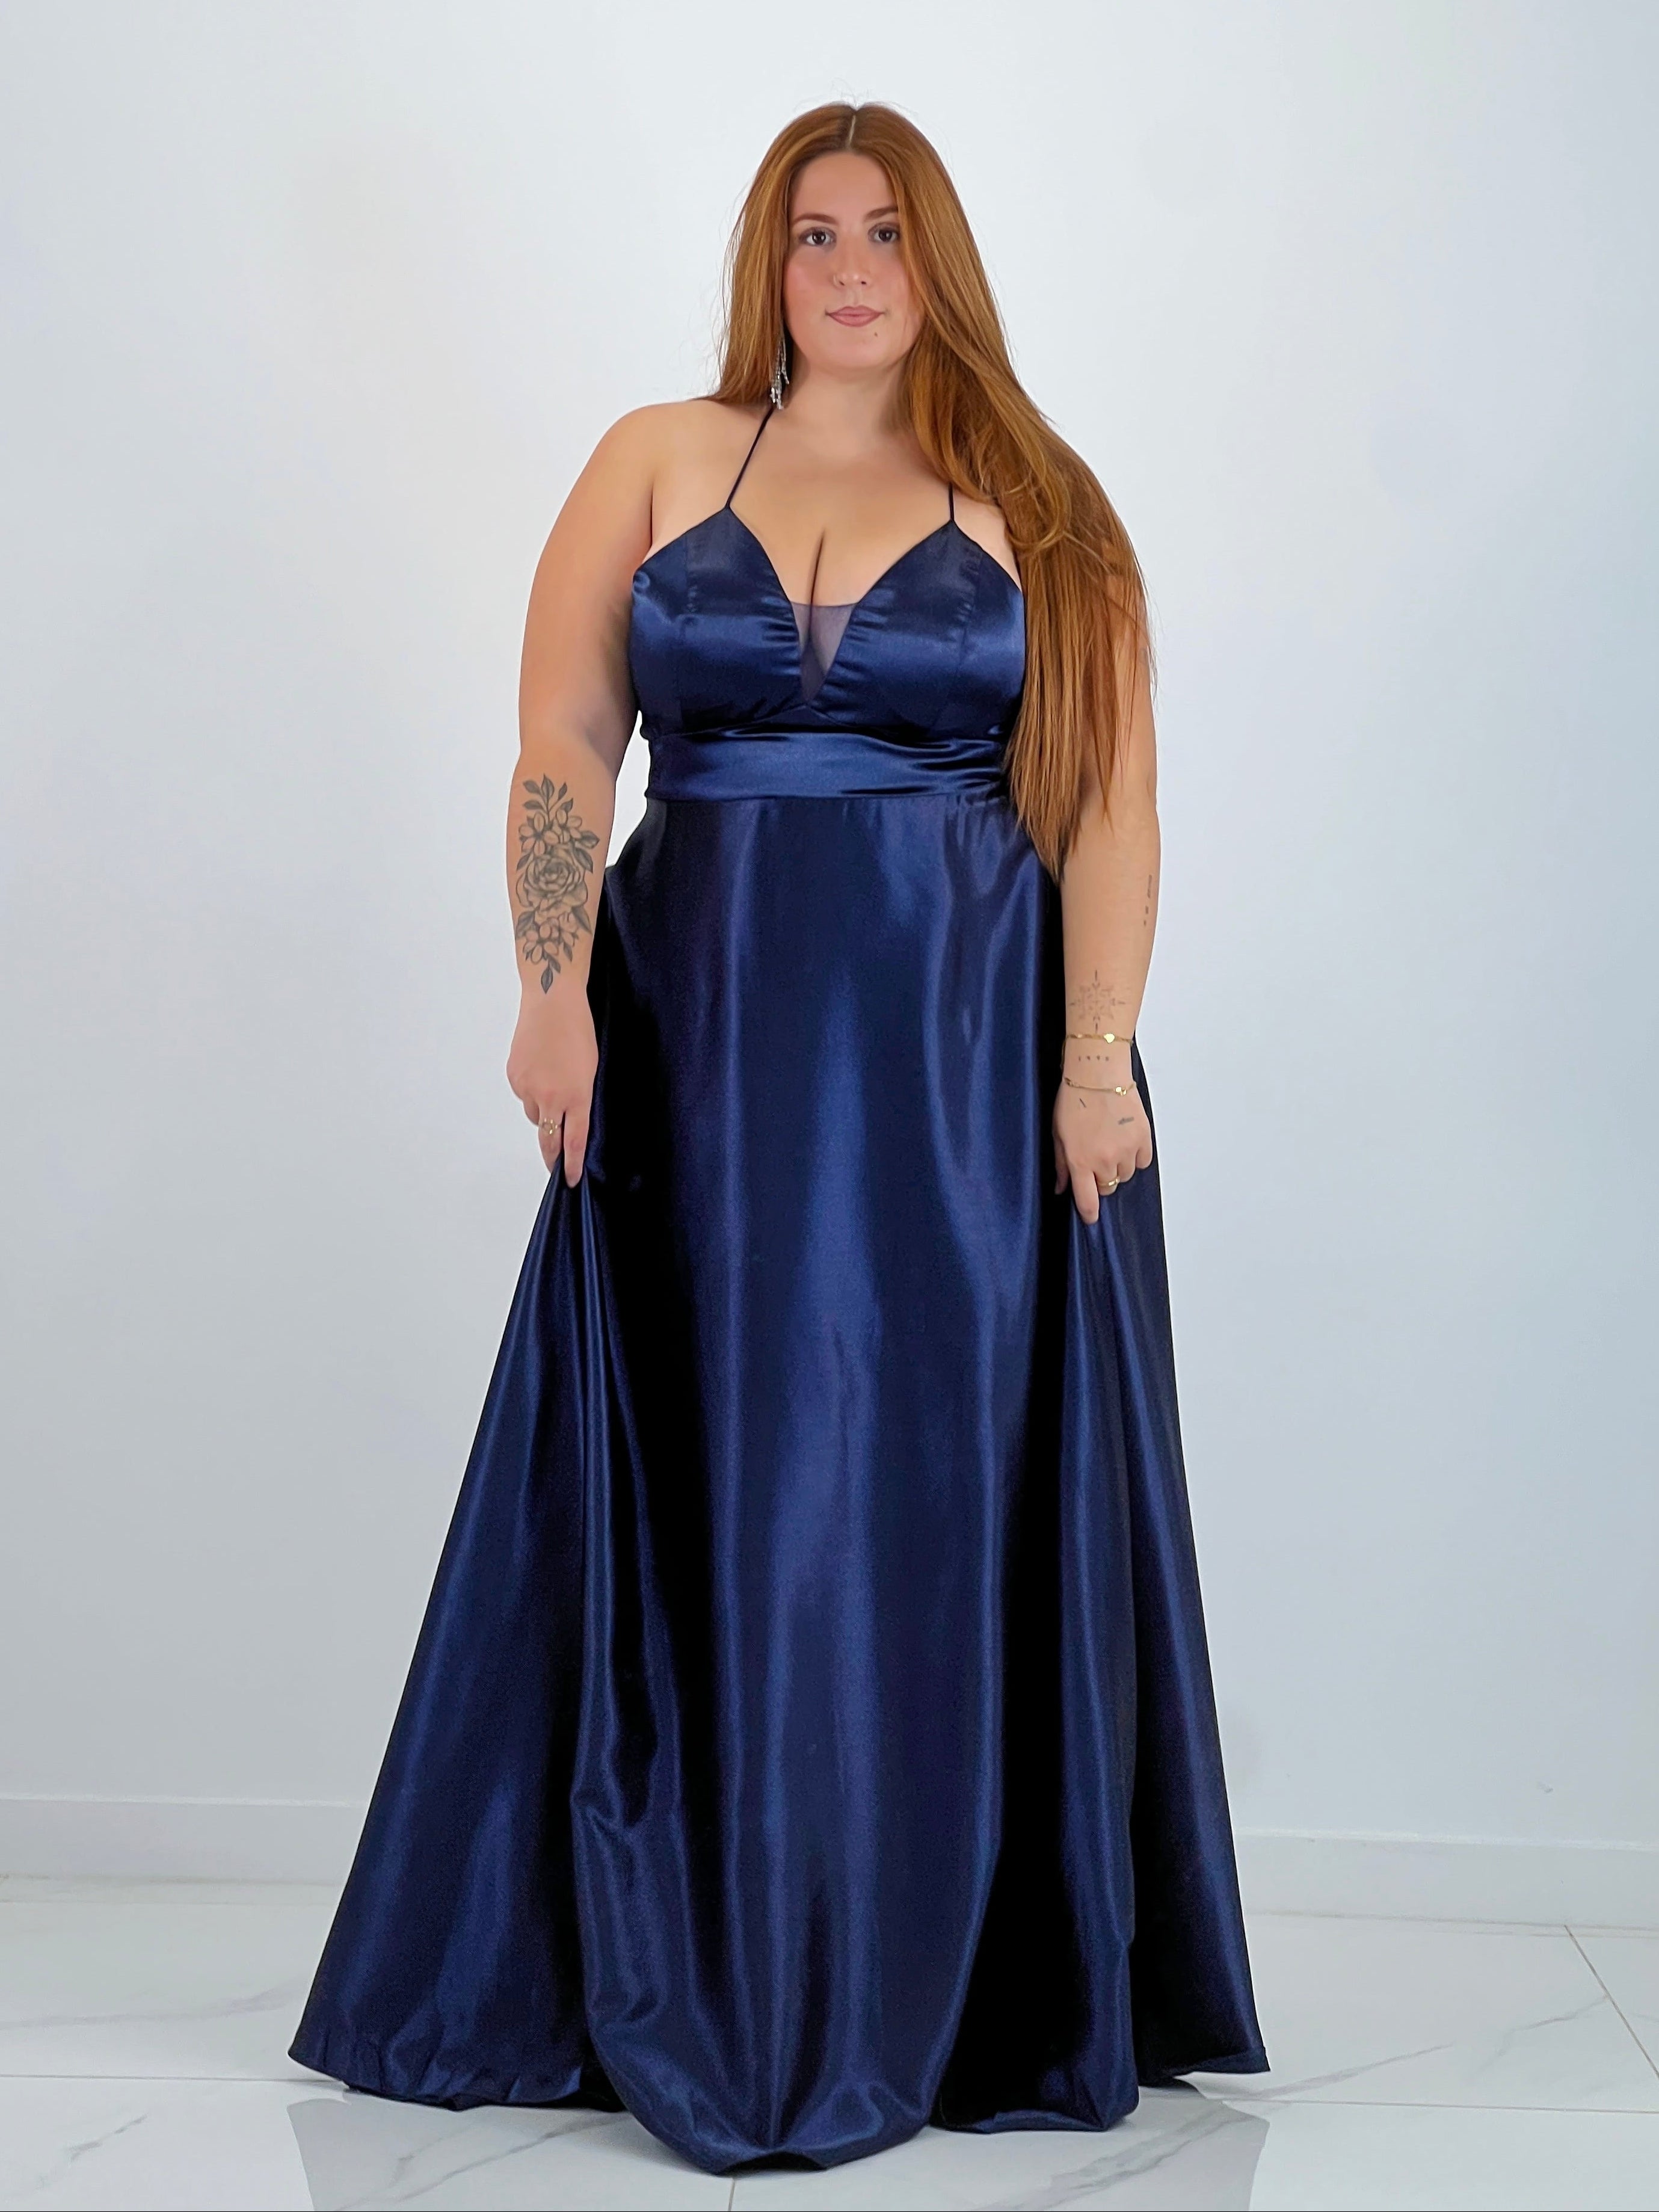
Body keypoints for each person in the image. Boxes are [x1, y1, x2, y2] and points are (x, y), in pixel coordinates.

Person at [290, 100, 1267, 2175]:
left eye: (886, 232)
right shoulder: (660, 456)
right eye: (813, 233)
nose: (848, 269)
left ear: (941, 261)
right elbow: (568, 736)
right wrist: (550, 984)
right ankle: (688, 1956)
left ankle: (925, 1977)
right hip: (699, 1046)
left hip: (955, 1066)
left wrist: (1097, 1062)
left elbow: (1113, 805)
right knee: (712, 1472)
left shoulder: (1046, 506)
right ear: (770, 261)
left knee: (923, 1495)